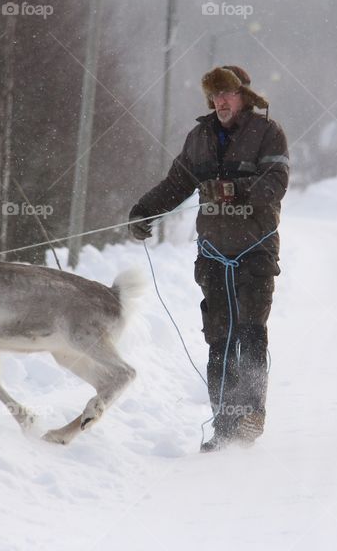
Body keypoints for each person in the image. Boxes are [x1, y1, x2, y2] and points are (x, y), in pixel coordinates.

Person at [127, 65, 289, 452]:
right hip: (213, 254)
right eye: (214, 96)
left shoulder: (268, 133)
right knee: (218, 339)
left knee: (250, 332)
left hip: (256, 252)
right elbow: (177, 183)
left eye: (227, 95)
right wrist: (144, 211)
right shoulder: (199, 137)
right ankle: (224, 425)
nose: (220, 102)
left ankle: (251, 414)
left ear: (244, 96)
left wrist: (235, 188)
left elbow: (276, 183)